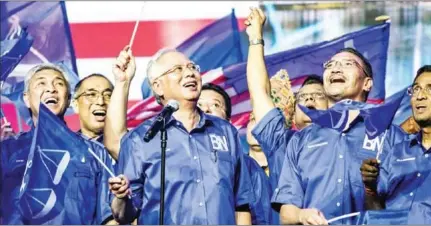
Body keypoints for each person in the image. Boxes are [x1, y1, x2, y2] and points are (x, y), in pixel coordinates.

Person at [269, 29, 407, 226]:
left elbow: (404, 207)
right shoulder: (302, 139)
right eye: (330, 65)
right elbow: (286, 212)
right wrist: (302, 215)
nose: (335, 69)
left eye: (347, 64)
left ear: (367, 83)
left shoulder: (392, 136)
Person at [107, 47, 254, 225]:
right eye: (178, 69)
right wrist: (122, 198)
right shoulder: (141, 138)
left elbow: (241, 204)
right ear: (157, 86)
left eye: (192, 67)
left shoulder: (226, 132)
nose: (190, 73)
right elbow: (125, 215)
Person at [0, 63, 114, 224]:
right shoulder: (7, 151)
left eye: (59, 83)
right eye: (41, 83)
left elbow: (108, 218)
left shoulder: (94, 152)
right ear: (26, 98)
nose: (51, 89)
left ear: (68, 99)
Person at [244, 7, 329, 199]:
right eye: (302, 97)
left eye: (318, 95)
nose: (309, 99)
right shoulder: (282, 144)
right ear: (293, 119)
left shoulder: (347, 143)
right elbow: (259, 91)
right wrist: (256, 37)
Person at [361, 65, 431, 224]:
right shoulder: (396, 152)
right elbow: (376, 217)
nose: (420, 96)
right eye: (416, 89)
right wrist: (370, 188)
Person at [198, 82, 273, 225]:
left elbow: (262, 217)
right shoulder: (172, 158)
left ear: (228, 120)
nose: (206, 110)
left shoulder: (247, 166)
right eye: (199, 105)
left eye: (215, 105)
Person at [72, 73, 114, 143]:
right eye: (92, 94)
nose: (101, 102)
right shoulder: (67, 147)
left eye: (108, 95)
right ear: (76, 105)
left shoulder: (132, 144)